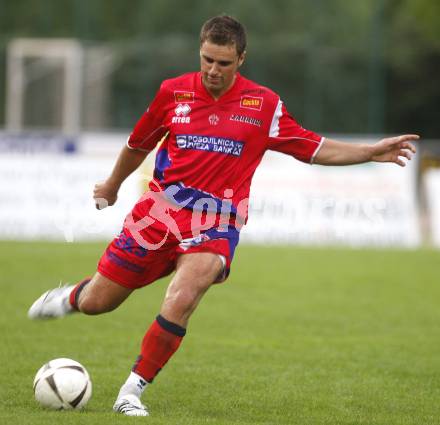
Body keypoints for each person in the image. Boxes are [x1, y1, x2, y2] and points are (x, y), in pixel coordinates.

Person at [28, 15, 418, 416]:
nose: (213, 70)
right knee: (99, 302)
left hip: (218, 221)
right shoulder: (172, 93)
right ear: (200, 52)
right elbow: (136, 144)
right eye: (207, 60)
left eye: (223, 63)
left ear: (241, 59)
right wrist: (111, 185)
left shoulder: (263, 105)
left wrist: (370, 152)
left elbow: (313, 148)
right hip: (159, 214)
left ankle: (132, 391)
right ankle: (73, 296)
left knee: (184, 295)